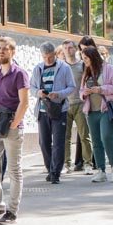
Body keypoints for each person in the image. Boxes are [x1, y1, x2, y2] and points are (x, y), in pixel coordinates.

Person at [0, 37, 30, 224]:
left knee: (14, 170)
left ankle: (12, 211)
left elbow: (24, 103)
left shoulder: (20, 74)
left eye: (5, 49)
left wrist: (14, 125)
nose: (1, 51)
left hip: (12, 126)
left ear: (12, 52)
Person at [30, 41, 75, 183]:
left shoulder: (64, 68)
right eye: (45, 57)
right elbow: (31, 88)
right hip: (43, 109)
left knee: (58, 142)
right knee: (44, 142)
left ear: (55, 54)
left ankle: (56, 172)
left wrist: (59, 94)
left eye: (50, 57)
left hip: (59, 109)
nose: (47, 60)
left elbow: (72, 87)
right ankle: (50, 168)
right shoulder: (38, 68)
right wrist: (38, 93)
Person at [81, 46, 113, 183]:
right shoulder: (86, 72)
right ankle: (101, 171)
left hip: (105, 109)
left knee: (106, 137)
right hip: (91, 110)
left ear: (93, 57)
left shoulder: (110, 69)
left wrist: (101, 89)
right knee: (96, 141)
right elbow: (80, 91)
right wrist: (84, 93)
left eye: (86, 58)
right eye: (83, 58)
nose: (84, 60)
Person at [61, 40, 93, 174]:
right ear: (63, 51)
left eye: (70, 47)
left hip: (80, 104)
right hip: (65, 105)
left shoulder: (82, 65)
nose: (68, 50)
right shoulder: (61, 66)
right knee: (65, 137)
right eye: (66, 48)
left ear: (76, 49)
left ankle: (88, 164)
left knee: (84, 136)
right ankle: (66, 165)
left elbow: (88, 81)